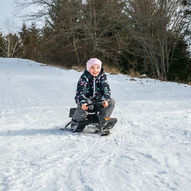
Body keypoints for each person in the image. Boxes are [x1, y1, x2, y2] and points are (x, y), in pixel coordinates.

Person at [71, 58, 115, 132]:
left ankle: (102, 119)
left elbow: (106, 89)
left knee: (112, 101)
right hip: (87, 102)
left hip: (98, 101)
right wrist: (83, 102)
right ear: (88, 68)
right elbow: (80, 92)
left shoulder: (102, 77)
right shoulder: (84, 78)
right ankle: (76, 121)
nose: (95, 70)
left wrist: (105, 99)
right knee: (84, 102)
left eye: (97, 68)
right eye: (92, 68)